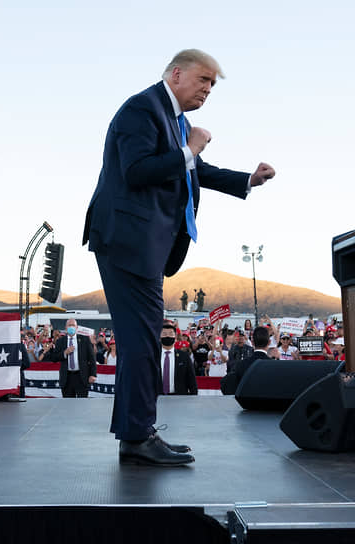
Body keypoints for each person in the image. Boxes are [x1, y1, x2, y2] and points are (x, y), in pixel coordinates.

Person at [83, 48, 276, 465]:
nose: (208, 90)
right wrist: (188, 149)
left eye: (212, 85)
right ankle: (136, 436)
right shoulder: (141, 109)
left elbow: (196, 172)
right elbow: (136, 171)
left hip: (143, 246)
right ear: (176, 73)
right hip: (126, 241)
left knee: (143, 339)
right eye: (203, 80)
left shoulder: (176, 122)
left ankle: (136, 433)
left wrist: (247, 180)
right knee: (140, 341)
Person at [48, 318, 97, 398]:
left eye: (73, 325)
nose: (71, 327)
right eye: (69, 325)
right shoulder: (60, 341)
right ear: (66, 328)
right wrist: (64, 353)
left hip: (81, 377)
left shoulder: (84, 339)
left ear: (77, 328)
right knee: (68, 404)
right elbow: (54, 358)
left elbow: (92, 358)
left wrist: (93, 374)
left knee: (82, 403)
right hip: (67, 378)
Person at [221, 326, 271, 395]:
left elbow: (226, 384)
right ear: (269, 342)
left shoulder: (241, 365)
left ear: (252, 342)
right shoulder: (274, 366)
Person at [159, 323, 197, 395]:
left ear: (175, 336)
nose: (167, 336)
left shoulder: (184, 356)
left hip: (179, 398)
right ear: (159, 336)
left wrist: (194, 397)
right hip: (156, 398)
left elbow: (191, 379)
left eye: (170, 333)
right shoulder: (153, 356)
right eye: (164, 333)